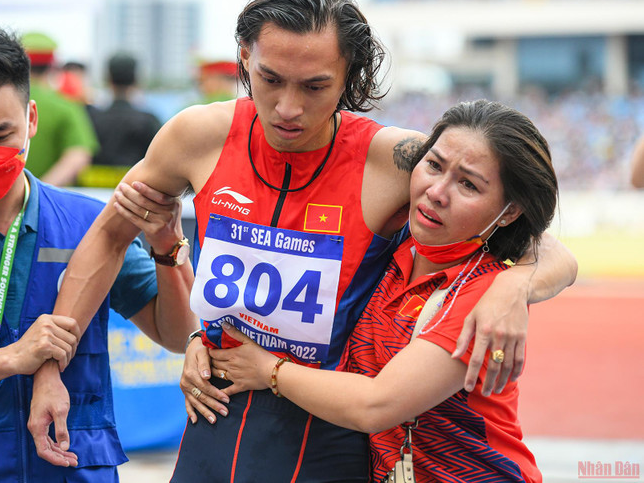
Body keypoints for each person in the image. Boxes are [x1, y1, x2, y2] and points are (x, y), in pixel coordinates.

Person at [31, 0, 576, 480]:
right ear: (245, 56)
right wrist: (54, 365)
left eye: (315, 87)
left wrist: (512, 286)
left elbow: (540, 240)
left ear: (350, 76)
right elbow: (106, 236)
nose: (287, 108)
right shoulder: (197, 135)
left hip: (329, 430)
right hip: (215, 411)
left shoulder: (400, 159)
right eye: (269, 79)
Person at [0, 28, 196, 482]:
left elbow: (178, 334)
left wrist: (167, 249)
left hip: (70, 468)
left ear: (31, 120)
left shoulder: (91, 225)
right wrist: (12, 357)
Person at [212, 99, 556, 482]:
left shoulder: (478, 293)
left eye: (468, 184)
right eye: (434, 165)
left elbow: (377, 405)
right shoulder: (396, 248)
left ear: (508, 212)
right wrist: (204, 337)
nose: (437, 192)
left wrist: (268, 370)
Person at [21, 32, 99, 186]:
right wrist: (39, 192)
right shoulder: (66, 107)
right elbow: (78, 156)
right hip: (50, 204)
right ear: (52, 66)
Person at [91, 53, 162, 169]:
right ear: (136, 79)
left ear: (108, 79)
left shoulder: (91, 118)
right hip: (134, 185)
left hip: (89, 186)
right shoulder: (148, 121)